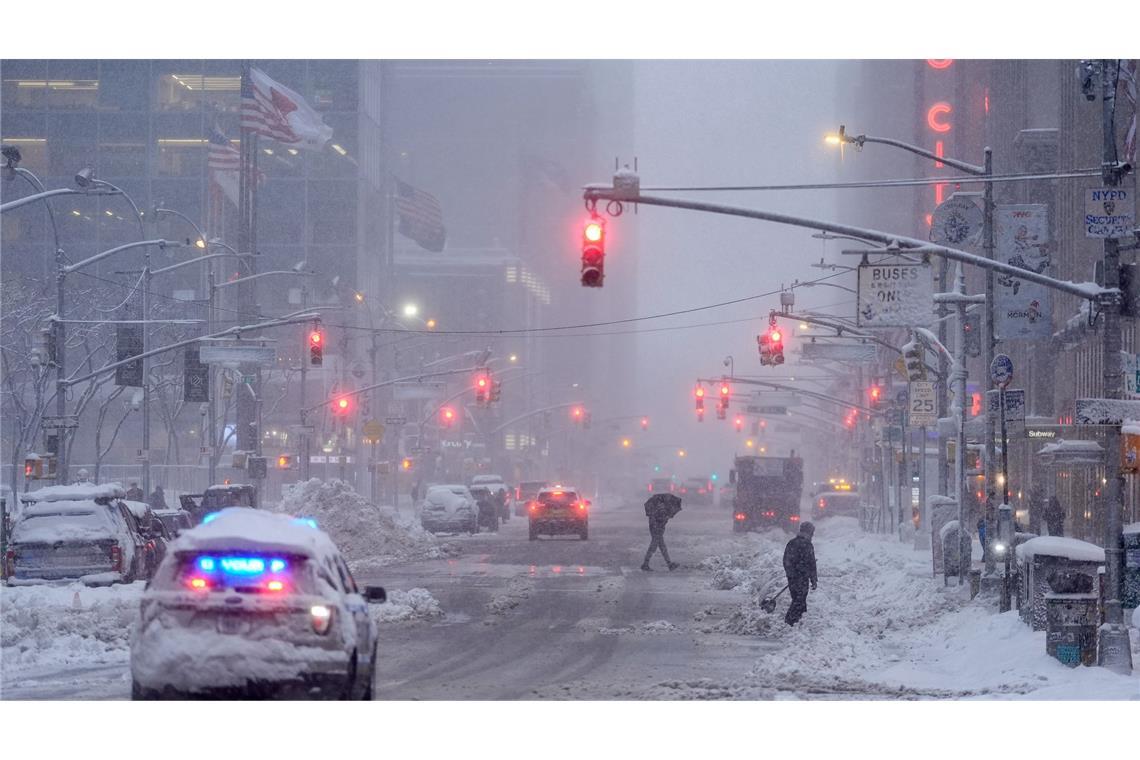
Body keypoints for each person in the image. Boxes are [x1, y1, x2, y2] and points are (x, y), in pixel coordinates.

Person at [782, 521, 818, 626]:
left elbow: (786, 561)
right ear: (809, 532)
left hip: (792, 578)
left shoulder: (791, 543)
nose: (812, 535)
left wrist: (790, 573)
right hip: (802, 578)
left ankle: (797, 620)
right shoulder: (807, 545)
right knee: (800, 599)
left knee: (797, 598)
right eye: (812, 533)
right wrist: (813, 579)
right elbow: (812, 564)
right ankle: (790, 621)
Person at [641, 495, 680, 571]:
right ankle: (645, 564)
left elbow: (655, 520)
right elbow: (660, 520)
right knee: (654, 547)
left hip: (656, 529)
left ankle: (669, 564)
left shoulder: (657, 508)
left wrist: (666, 517)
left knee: (662, 547)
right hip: (657, 530)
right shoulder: (661, 509)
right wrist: (666, 518)